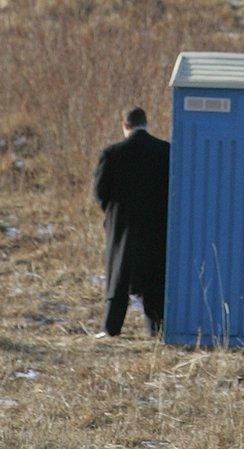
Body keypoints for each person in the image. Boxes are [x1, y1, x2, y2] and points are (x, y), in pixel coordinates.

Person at [92, 107, 170, 338]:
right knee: (154, 277)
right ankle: (157, 330)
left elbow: (99, 192)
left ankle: (111, 328)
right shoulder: (166, 151)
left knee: (118, 276)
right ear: (146, 124)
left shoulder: (111, 153)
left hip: (122, 226)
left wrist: (113, 212)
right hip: (157, 225)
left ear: (124, 125)